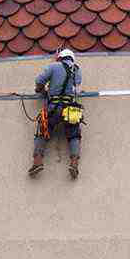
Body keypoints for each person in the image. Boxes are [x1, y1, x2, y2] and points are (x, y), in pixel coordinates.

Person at [29, 48, 83, 179]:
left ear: (60, 57)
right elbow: (76, 87)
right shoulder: (77, 70)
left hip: (53, 107)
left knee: (42, 130)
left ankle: (38, 162)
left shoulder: (54, 66)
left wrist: (40, 90)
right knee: (74, 134)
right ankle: (74, 163)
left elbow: (39, 81)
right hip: (70, 109)